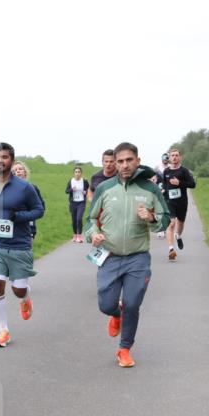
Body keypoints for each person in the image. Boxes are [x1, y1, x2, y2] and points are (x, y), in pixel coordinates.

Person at [84, 141, 170, 367]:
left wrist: (151, 218)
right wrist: (93, 234)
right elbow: (90, 220)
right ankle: (115, 313)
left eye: (128, 160)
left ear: (137, 161)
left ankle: (124, 349)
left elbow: (165, 219)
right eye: (120, 161)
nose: (124, 165)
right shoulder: (104, 188)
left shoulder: (149, 189)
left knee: (132, 303)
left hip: (137, 257)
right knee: (105, 304)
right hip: (109, 256)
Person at [0, 142, 45, 347]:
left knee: (17, 290)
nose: (0, 160)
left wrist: (18, 216)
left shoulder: (25, 187)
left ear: (11, 160)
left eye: (4, 157)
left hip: (20, 246)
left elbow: (39, 210)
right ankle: (3, 331)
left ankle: (25, 298)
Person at [161, 147, 197, 260]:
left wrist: (179, 182)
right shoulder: (166, 171)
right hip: (170, 202)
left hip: (182, 202)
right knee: (171, 223)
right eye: (172, 155)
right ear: (169, 157)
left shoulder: (184, 171)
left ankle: (178, 235)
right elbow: (164, 184)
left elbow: (192, 184)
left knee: (180, 223)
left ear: (180, 157)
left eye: (176, 155)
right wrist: (163, 190)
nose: (174, 157)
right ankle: (171, 249)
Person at [10, 160, 45, 239]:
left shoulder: (33, 188)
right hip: (11, 228)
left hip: (28, 228)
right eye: (15, 170)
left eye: (20, 169)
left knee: (26, 250)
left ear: (25, 172)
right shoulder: (8, 189)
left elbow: (41, 208)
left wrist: (25, 214)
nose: (18, 171)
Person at [65, 166, 89, 242]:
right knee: (74, 220)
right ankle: (75, 235)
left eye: (79, 172)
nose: (77, 173)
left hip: (81, 202)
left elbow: (89, 190)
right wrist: (72, 189)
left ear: (81, 173)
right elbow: (66, 191)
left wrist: (85, 192)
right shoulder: (71, 181)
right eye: (76, 172)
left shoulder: (84, 181)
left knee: (79, 219)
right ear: (74, 173)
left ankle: (80, 236)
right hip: (73, 203)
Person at [155, 153, 170, 239]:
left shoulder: (170, 167)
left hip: (168, 192)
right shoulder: (157, 167)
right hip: (159, 191)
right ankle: (160, 230)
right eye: (164, 159)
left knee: (166, 211)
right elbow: (154, 178)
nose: (165, 160)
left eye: (166, 159)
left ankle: (165, 229)